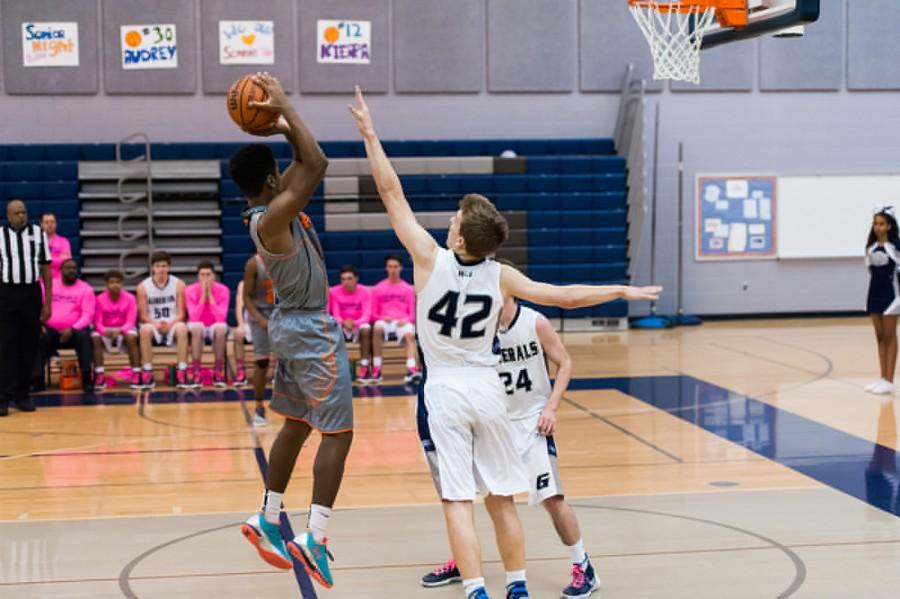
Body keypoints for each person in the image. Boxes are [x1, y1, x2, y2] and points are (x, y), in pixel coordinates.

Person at [349, 85, 660, 599]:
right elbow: (564, 297)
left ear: (461, 239)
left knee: (457, 502)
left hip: (446, 390)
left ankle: (476, 589)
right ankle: (517, 587)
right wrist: (620, 288)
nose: (448, 221)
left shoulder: (429, 258)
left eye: (453, 220)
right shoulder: (502, 275)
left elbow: (390, 192)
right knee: (503, 497)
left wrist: (369, 133)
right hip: (490, 391)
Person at [231, 72, 353, 590]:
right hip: (309, 327)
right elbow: (318, 163)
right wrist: (286, 108)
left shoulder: (268, 210)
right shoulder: (272, 218)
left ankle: (266, 516)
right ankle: (314, 536)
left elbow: (304, 163)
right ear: (270, 182)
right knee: (339, 433)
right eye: (281, 172)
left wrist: (282, 128)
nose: (288, 176)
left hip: (292, 326)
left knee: (297, 425)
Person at [422, 282, 600, 598]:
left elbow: (565, 362)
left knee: (552, 498)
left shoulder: (535, 322)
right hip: (496, 425)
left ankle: (583, 565)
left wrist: (551, 407)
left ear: (510, 293)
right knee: (474, 496)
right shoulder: (478, 329)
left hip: (532, 423)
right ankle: (464, 562)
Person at [0, 200, 51, 416]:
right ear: (8, 215)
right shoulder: (0, 235)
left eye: (24, 212)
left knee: (28, 346)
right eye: (16, 213)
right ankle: (3, 397)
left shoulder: (38, 234)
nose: (21, 216)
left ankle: (23, 396)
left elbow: (46, 271)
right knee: (5, 347)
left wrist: (47, 302)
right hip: (6, 293)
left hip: (31, 293)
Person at [33, 259, 95, 393]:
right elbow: (38, 306)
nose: (72, 270)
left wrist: (72, 329)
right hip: (51, 329)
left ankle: (87, 380)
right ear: (61, 271)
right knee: (39, 336)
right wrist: (40, 323)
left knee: (84, 337)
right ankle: (37, 380)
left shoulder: (86, 289)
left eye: (74, 268)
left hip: (74, 330)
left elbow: (88, 315)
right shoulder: (50, 286)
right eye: (68, 268)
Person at [136, 251, 189, 389]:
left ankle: (182, 371)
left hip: (173, 322)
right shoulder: (143, 287)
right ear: (152, 267)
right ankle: (147, 371)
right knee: (144, 330)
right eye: (158, 266)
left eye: (164, 266)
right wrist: (155, 324)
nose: (161, 269)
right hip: (153, 323)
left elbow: (182, 313)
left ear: (169, 267)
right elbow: (142, 315)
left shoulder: (179, 284)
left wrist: (170, 324)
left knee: (183, 328)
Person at [238, 253, 276, 426]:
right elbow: (246, 297)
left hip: (280, 312)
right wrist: (260, 319)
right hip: (259, 314)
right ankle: (259, 408)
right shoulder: (254, 264)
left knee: (290, 361)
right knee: (262, 362)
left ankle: (294, 406)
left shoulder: (287, 258)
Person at [865, 206, 900, 395]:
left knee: (890, 335)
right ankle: (882, 377)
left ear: (889, 226)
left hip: (892, 295)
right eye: (875, 224)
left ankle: (890, 379)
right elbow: (870, 271)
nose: (878, 227)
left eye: (881, 224)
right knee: (879, 336)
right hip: (874, 294)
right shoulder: (870, 248)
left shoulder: (895, 248)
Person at [371, 254, 419, 384]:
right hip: (385, 321)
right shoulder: (378, 288)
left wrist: (406, 319)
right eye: (390, 266)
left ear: (401, 268)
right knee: (377, 328)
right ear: (386, 268)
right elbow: (373, 314)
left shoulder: (408, 289)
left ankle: (411, 369)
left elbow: (413, 314)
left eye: (395, 266)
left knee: (410, 335)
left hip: (402, 321)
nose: (393, 269)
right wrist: (382, 317)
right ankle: (377, 368)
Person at [92, 269, 141, 390]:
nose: (115, 284)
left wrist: (120, 331)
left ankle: (136, 373)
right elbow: (97, 322)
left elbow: (131, 321)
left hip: (124, 327)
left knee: (131, 337)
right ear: (107, 284)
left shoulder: (130, 298)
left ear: (122, 284)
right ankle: (99, 374)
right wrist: (104, 331)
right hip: (105, 328)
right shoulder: (99, 299)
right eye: (112, 282)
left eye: (118, 282)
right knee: (95, 337)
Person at [185, 261, 231, 387]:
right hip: (197, 324)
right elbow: (193, 317)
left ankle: (218, 370)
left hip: (215, 324)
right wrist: (202, 297)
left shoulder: (223, 290)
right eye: (202, 274)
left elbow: (221, 318)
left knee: (221, 328)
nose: (205, 278)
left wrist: (210, 296)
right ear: (198, 277)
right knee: (197, 327)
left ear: (213, 276)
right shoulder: (189, 290)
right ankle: (197, 371)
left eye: (208, 274)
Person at [327, 264, 373, 381]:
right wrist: (343, 322)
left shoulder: (365, 291)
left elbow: (367, 315)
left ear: (356, 279)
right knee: (331, 327)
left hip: (358, 324)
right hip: (342, 325)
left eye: (349, 278)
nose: (346, 282)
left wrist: (355, 323)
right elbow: (335, 314)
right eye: (343, 279)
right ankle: (335, 368)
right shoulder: (333, 292)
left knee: (366, 328)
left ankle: (364, 365)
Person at [41, 212, 72, 280]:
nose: (50, 225)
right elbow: (36, 262)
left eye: (52, 222)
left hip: (60, 282)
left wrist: (45, 260)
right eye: (46, 222)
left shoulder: (64, 242)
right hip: (41, 282)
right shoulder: (37, 242)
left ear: (56, 223)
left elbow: (66, 262)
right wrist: (58, 258)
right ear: (41, 224)